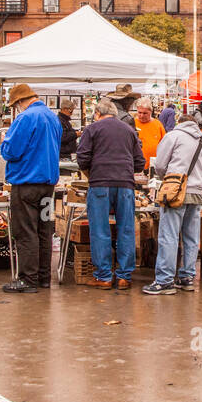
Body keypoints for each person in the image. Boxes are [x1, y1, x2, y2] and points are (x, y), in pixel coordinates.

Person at [76, 99, 145, 290]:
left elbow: (82, 157)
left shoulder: (92, 129)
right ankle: (124, 277)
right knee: (126, 229)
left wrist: (93, 171)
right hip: (125, 185)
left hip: (100, 184)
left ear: (97, 113)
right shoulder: (129, 130)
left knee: (100, 230)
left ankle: (104, 276)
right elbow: (140, 162)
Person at [0, 83, 61, 293]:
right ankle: (44, 277)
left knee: (26, 231)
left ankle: (28, 279)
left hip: (26, 183)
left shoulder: (25, 118)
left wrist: (4, 145)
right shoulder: (52, 117)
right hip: (47, 185)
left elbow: (11, 151)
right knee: (44, 230)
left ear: (18, 102)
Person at [148, 113, 202, 295]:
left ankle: (165, 280)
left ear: (180, 124)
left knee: (169, 235)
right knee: (191, 238)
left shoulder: (173, 137)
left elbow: (160, 165)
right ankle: (187, 278)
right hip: (196, 192)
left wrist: (169, 178)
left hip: (175, 192)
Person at [134, 99, 166, 171]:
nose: (141, 116)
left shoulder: (158, 125)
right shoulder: (132, 123)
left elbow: (164, 145)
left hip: (153, 166)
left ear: (150, 112)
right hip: (136, 166)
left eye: (145, 113)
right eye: (139, 112)